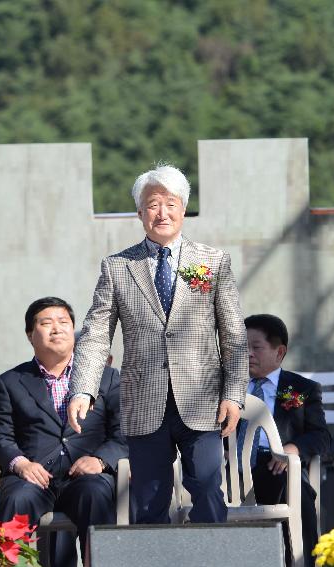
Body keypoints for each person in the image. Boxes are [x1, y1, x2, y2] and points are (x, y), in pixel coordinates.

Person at [67, 164, 248, 524]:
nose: (161, 213)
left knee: (209, 488)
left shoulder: (212, 261)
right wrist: (83, 388)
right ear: (139, 213)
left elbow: (233, 334)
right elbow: (96, 333)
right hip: (144, 402)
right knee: (149, 501)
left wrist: (234, 393)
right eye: (152, 204)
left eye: (170, 203)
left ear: (184, 209)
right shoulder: (118, 266)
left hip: (202, 401)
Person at [0, 297, 126, 567]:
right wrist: (21, 463)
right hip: (33, 478)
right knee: (16, 498)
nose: (57, 329)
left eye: (64, 322)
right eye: (46, 323)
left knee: (95, 493)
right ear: (30, 335)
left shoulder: (106, 377)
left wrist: (100, 460)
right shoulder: (10, 382)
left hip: (85, 477)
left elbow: (124, 433)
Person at [243, 314, 330, 567]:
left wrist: (293, 448)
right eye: (242, 347)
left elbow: (321, 436)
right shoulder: (228, 385)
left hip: (276, 464)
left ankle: (301, 561)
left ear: (279, 352)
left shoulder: (302, 389)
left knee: (295, 486)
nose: (248, 354)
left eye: (256, 347)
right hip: (230, 468)